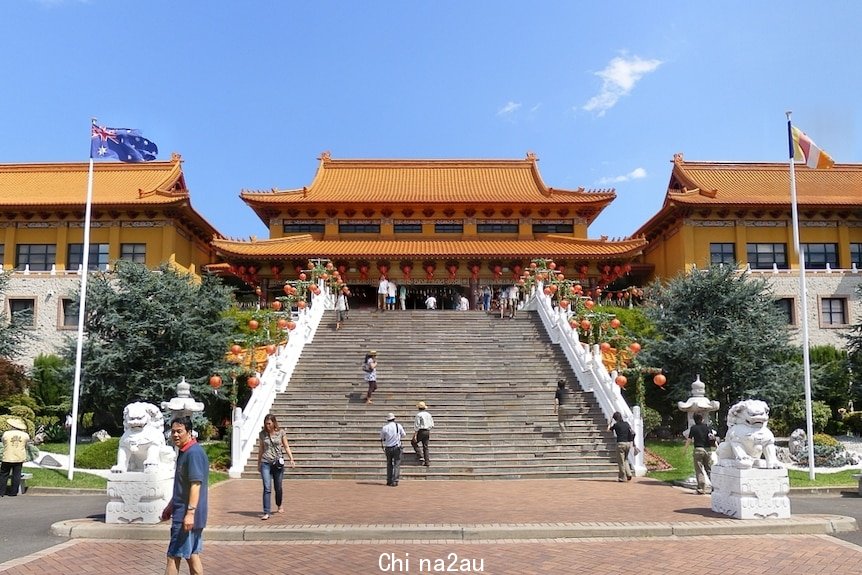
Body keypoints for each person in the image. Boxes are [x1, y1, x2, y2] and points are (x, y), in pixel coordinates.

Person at [163, 416, 209, 575]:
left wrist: (189, 513)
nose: (175, 435)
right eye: (173, 431)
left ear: (189, 432)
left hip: (185, 516)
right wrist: (170, 505)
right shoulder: (186, 451)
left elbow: (196, 484)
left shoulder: (193, 453)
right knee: (192, 555)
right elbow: (183, 485)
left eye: (179, 431)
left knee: (173, 556)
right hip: (187, 513)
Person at [257, 414, 295, 520]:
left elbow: (286, 446)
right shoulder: (262, 434)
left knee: (278, 487)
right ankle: (266, 512)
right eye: (266, 423)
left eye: (269, 423)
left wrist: (291, 458)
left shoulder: (281, 433)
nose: (267, 425)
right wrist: (258, 463)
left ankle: (279, 504)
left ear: (274, 423)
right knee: (267, 488)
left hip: (277, 463)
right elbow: (261, 449)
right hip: (266, 462)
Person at [685, 413, 716, 495]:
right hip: (708, 450)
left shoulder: (693, 428)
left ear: (694, 420)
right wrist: (717, 446)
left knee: (699, 469)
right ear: (702, 419)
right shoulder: (707, 427)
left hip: (698, 449)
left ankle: (701, 489)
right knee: (709, 469)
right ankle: (715, 487)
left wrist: (685, 449)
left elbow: (689, 439)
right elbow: (712, 438)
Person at [0, 418, 31, 497]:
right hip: (19, 456)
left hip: (7, 456)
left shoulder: (6, 433)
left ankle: (1, 492)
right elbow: (27, 444)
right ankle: (13, 492)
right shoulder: (25, 435)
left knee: (3, 474)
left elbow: (3, 442)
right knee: (16, 474)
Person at [380, 412, 406, 486]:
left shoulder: (384, 428)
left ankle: (389, 480)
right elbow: (404, 434)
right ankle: (395, 480)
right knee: (396, 464)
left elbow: (382, 438)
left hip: (388, 447)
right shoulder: (398, 426)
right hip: (397, 447)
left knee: (389, 464)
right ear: (394, 419)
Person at [607, 412, 634, 482]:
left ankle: (622, 477)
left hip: (620, 444)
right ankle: (629, 473)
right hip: (628, 444)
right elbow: (631, 432)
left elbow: (608, 430)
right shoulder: (626, 424)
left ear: (615, 418)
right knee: (625, 459)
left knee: (621, 461)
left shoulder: (616, 425)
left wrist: (610, 422)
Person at [411, 401, 435, 466]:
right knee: (425, 446)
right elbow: (432, 424)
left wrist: (415, 435)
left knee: (413, 442)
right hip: (427, 431)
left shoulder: (418, 415)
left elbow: (417, 425)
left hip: (421, 431)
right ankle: (427, 461)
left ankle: (420, 454)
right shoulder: (429, 415)